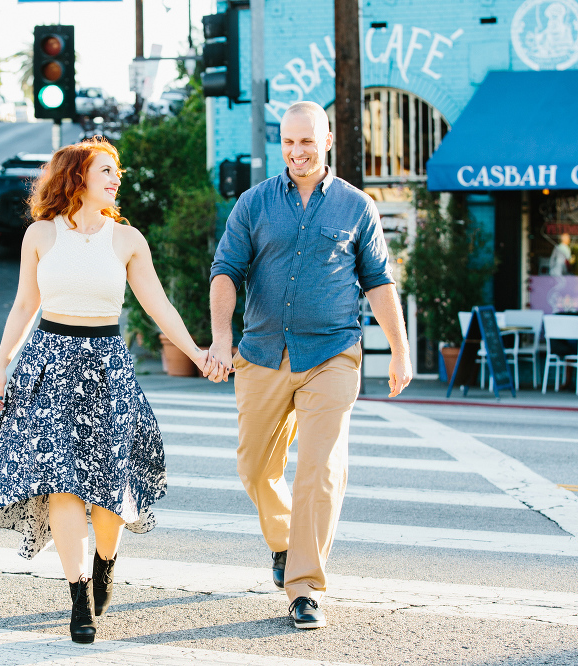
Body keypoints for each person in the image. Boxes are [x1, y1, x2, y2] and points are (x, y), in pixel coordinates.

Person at [0, 138, 220, 644]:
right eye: (106, 170)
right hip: (50, 364)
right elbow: (23, 306)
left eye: (116, 172)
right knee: (62, 483)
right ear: (77, 177)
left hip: (106, 366)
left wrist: (198, 354)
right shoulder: (40, 235)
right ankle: (78, 596)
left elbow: (159, 307)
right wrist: (2, 364)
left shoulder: (127, 241)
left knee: (108, 495)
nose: (116, 179)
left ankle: (105, 563)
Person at [207, 101, 412, 629]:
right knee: (255, 468)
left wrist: (400, 348)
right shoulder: (253, 204)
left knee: (320, 470)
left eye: (307, 141)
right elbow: (226, 270)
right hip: (261, 353)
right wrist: (222, 338)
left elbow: (380, 280)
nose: (297, 152)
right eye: (289, 142)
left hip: (332, 354)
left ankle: (305, 587)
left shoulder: (356, 206)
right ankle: (283, 542)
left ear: (325, 142)